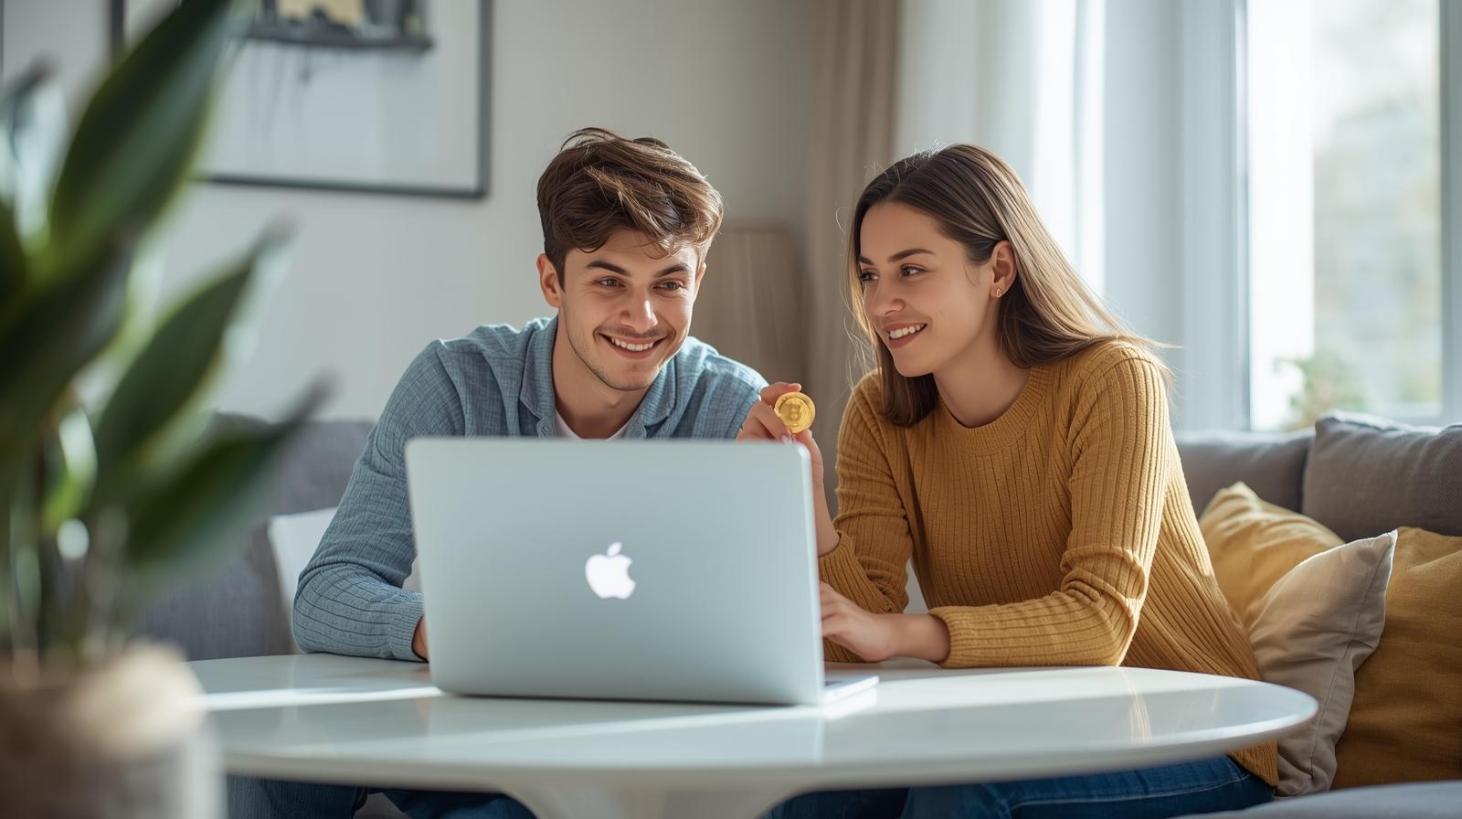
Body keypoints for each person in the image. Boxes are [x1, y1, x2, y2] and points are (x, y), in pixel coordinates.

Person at [231, 127, 766, 819]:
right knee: (259, 775)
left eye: (670, 283)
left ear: (699, 281)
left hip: (633, 738)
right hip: (459, 722)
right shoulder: (455, 382)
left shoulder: (733, 405)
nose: (644, 316)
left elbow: (762, 629)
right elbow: (328, 591)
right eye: (609, 281)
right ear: (552, 280)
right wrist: (445, 629)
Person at [744, 145, 1275, 818]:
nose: (882, 302)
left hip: (1193, 729)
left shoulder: (1113, 380)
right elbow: (851, 643)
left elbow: (1100, 622)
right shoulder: (879, 411)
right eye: (870, 274)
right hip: (1021, 727)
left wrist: (907, 634)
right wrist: (805, 505)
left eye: (911, 269)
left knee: (967, 795)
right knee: (807, 796)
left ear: (997, 268)